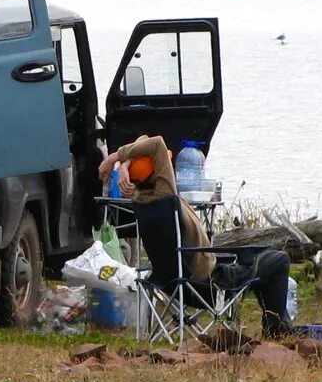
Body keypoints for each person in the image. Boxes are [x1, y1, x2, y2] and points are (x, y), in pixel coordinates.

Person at [101, 133, 293, 338]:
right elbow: (155, 142)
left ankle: (281, 327)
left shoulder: (141, 199)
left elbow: (143, 139)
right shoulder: (166, 193)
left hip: (171, 282)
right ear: (159, 172)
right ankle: (276, 331)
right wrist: (114, 158)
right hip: (208, 285)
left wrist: (124, 164)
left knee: (264, 263)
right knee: (278, 260)